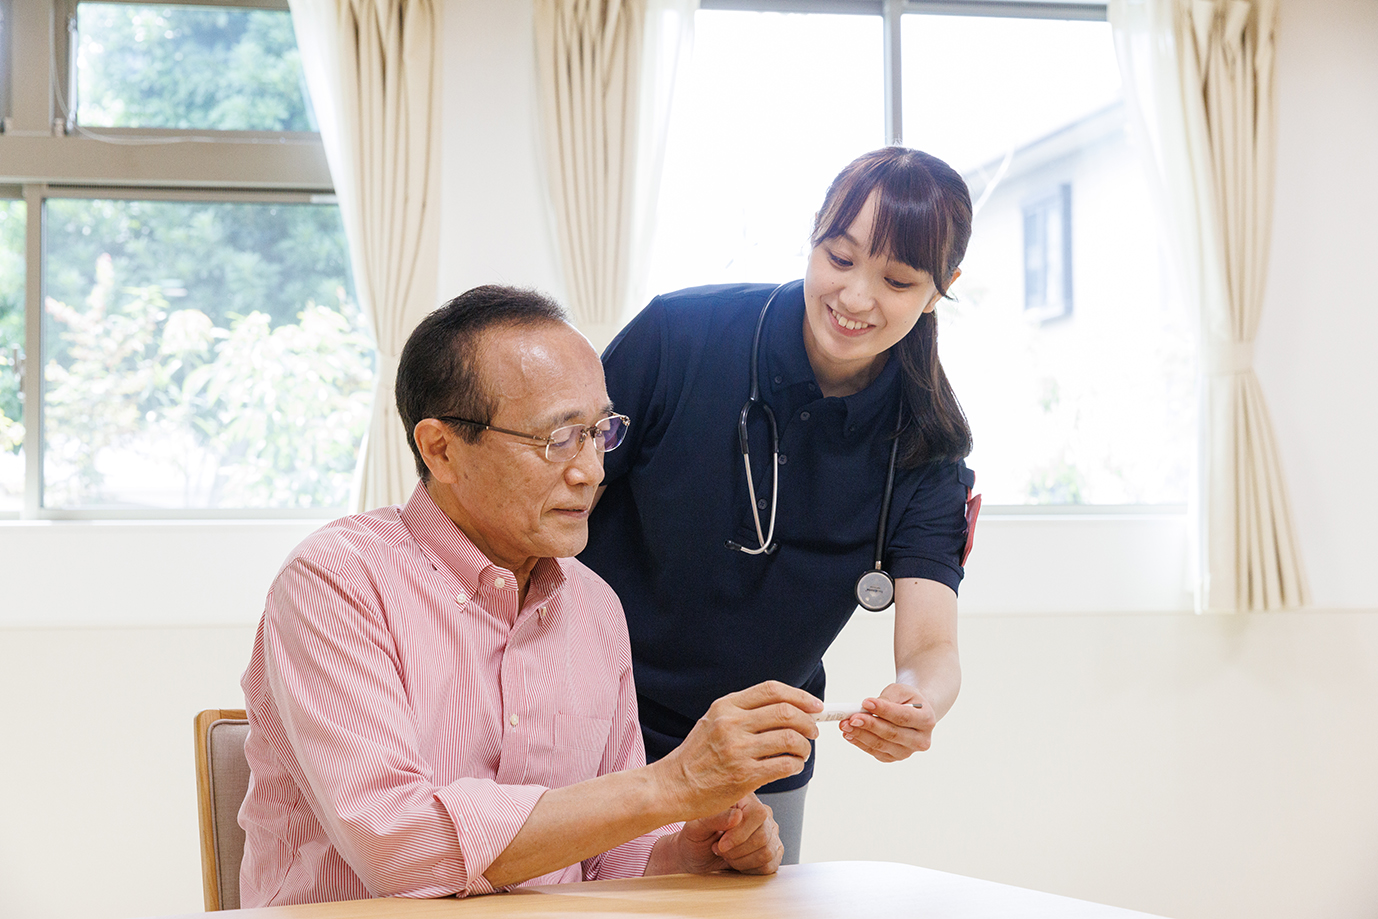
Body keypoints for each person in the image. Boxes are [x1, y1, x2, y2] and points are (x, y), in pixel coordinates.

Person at [238, 285, 824, 907]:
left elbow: (606, 861)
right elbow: (402, 851)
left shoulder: (594, 606)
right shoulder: (337, 580)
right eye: (558, 438)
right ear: (441, 448)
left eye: (600, 432)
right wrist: (670, 785)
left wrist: (687, 851)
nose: (592, 470)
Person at [579, 147, 977, 864]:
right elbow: (550, 504)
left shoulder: (927, 448)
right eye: (839, 256)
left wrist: (919, 702)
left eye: (896, 279)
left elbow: (929, 647)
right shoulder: (678, 337)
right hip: (594, 729)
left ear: (940, 288)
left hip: (757, 765)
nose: (855, 297)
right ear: (814, 235)